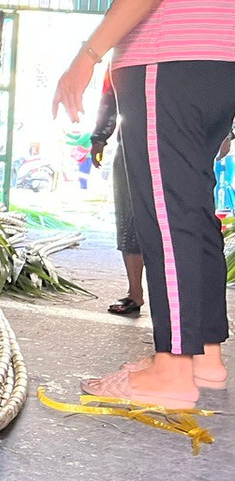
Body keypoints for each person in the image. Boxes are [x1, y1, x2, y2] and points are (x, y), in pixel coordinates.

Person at [52, 0, 234, 408]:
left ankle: (171, 370)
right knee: (191, 207)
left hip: (169, 63)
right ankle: (205, 357)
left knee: (164, 214)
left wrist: (87, 54)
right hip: (217, 70)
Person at [89, 73, 145, 316]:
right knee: (130, 217)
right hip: (133, 142)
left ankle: (184, 297)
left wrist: (224, 132)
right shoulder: (126, 50)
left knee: (182, 219)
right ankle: (135, 293)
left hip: (182, 142)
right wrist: (100, 137)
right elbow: (110, 94)